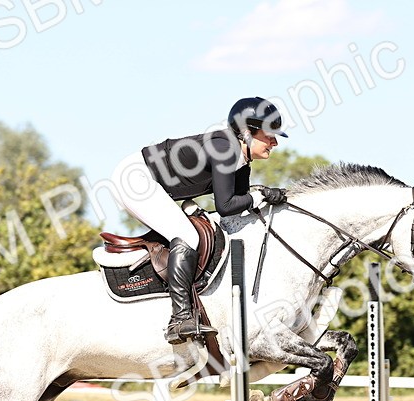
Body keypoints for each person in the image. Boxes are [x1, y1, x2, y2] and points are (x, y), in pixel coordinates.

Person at [110, 97, 290, 344]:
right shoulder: (226, 148)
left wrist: (264, 199)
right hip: (135, 180)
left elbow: (236, 214)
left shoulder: (241, 161)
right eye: (269, 135)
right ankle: (180, 318)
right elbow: (226, 206)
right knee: (188, 235)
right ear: (247, 133)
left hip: (154, 184)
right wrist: (261, 195)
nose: (275, 142)